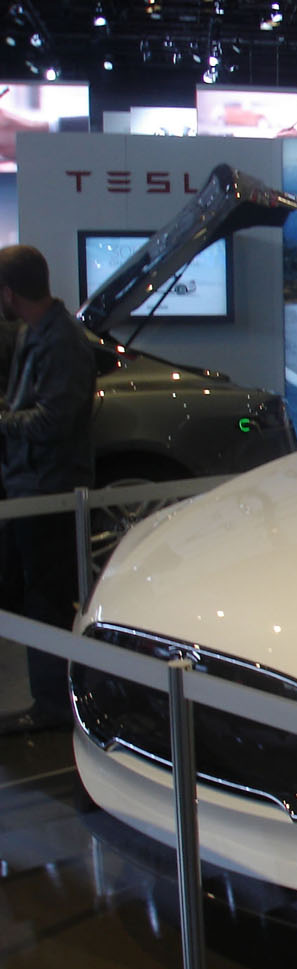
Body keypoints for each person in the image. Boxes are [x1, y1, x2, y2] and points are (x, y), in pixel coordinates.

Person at [0, 245, 96, 734]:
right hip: (27, 485)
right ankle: (49, 698)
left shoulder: (62, 341)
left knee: (48, 599)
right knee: (32, 593)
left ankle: (56, 704)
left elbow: (52, 421)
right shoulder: (32, 333)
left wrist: (3, 422)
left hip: (51, 488)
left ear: (9, 293)